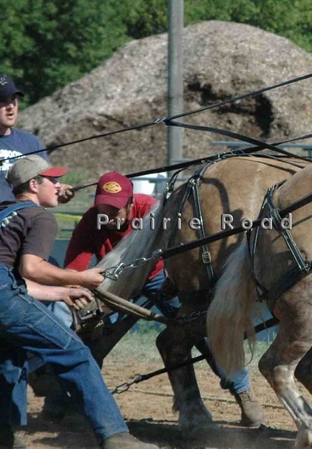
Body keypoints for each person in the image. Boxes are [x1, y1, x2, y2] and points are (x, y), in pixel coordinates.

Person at [0, 155, 159, 449]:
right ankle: (115, 435)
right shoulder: (39, 216)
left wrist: (59, 293)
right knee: (75, 353)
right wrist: (82, 279)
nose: (59, 187)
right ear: (35, 184)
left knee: (9, 350)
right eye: (53, 181)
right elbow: (30, 269)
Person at [59, 171, 263, 426]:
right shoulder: (90, 222)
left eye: (116, 210)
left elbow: (182, 247)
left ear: (131, 203)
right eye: (103, 209)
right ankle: (67, 400)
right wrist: (77, 291)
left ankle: (242, 391)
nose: (109, 217)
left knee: (202, 331)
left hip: (160, 276)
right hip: (117, 283)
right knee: (90, 339)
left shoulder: (153, 210)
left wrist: (174, 278)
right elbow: (73, 271)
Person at [0, 73, 73, 223]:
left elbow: (46, 187)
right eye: (2, 101)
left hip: (23, 231)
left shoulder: (31, 142)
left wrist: (60, 191)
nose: (11, 106)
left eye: (13, 99)